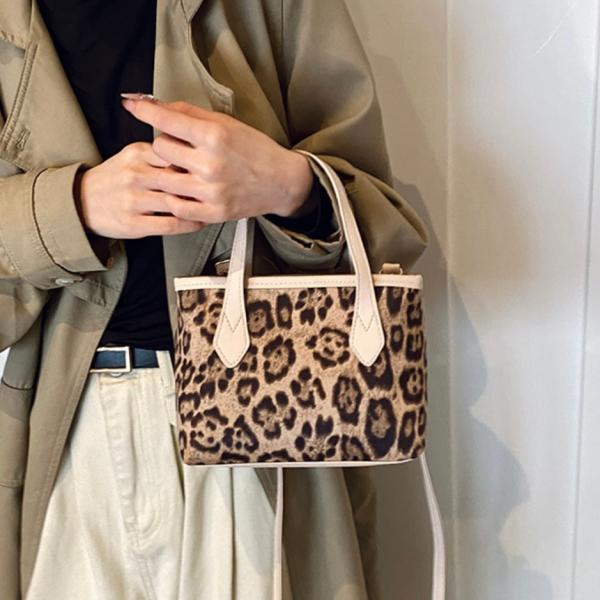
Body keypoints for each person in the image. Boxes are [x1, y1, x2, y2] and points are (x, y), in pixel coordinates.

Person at [0, 0, 430, 598]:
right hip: (67, 426)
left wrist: (288, 185)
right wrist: (72, 208)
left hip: (261, 405)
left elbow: (383, 227)